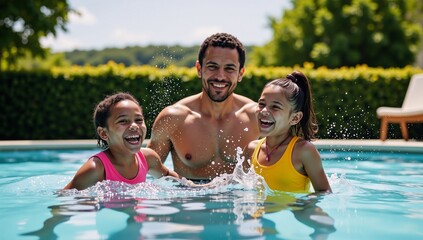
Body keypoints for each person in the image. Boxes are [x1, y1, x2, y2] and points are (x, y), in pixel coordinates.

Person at [147, 33, 259, 182]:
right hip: (190, 200)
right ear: (199, 68)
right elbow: (144, 171)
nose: (220, 76)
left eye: (229, 68)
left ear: (241, 73)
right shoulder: (174, 118)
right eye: (212, 67)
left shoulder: (257, 117)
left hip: (241, 202)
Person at [64, 92, 178, 190]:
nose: (134, 126)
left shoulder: (148, 158)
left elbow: (171, 178)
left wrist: (193, 187)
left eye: (138, 120)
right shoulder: (96, 169)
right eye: (123, 121)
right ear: (104, 133)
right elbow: (64, 203)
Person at [243, 71, 332, 193]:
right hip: (259, 212)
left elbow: (324, 191)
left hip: (295, 211)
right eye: (262, 104)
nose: (264, 111)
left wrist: (302, 205)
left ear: (295, 118)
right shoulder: (251, 149)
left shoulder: (303, 151)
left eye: (275, 107)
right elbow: (238, 185)